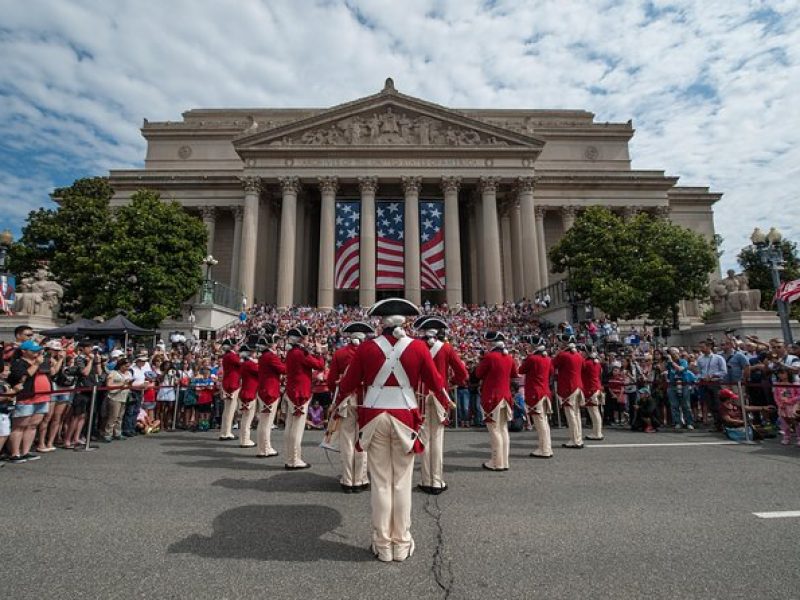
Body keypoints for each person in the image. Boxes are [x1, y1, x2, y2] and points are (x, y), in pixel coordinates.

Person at [337, 297, 449, 563]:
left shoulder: (366, 348)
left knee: (381, 483)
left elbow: (348, 383)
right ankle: (402, 541)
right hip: (405, 418)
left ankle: (382, 543)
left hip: (374, 417)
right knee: (401, 483)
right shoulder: (419, 347)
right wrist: (444, 402)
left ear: (381, 322)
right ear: (404, 322)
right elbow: (435, 382)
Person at [414, 316, 465, 495]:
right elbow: (462, 373)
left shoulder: (415, 347)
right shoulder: (447, 348)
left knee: (424, 439)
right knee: (437, 439)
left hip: (420, 397)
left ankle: (426, 480)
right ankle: (437, 480)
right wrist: (450, 383)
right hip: (440, 397)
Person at [327, 321, 373, 493]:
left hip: (346, 400)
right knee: (362, 440)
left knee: (346, 441)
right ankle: (360, 478)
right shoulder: (370, 353)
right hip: (365, 399)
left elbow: (331, 381)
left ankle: (348, 480)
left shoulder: (339, 353)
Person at [284, 325, 325, 469]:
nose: (309, 341)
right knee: (297, 428)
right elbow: (320, 365)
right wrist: (319, 352)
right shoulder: (300, 353)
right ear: (301, 339)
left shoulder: (292, 352)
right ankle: (294, 459)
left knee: (290, 427)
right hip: (300, 393)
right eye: (306, 338)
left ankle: (291, 457)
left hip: (292, 391)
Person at [475, 331, 518, 470]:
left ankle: (496, 462)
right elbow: (514, 374)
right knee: (503, 429)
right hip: (506, 396)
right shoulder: (509, 357)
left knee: (494, 430)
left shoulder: (489, 357)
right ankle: (504, 461)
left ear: (491, 343)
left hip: (492, 396)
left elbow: (478, 374)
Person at [6, 340, 50, 463]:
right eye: (33, 350)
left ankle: (25, 451)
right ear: (24, 351)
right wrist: (36, 364)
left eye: (38, 350)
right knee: (19, 426)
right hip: (25, 397)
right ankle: (15, 453)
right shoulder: (18, 363)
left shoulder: (40, 361)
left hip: (41, 397)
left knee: (33, 425)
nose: (37, 352)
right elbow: (21, 377)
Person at [518, 337, 553, 458]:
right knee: (544, 421)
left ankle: (544, 449)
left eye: (530, 345)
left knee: (539, 422)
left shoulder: (532, 358)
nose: (528, 347)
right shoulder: (547, 358)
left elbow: (521, 370)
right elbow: (552, 372)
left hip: (535, 392)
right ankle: (546, 447)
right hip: (545, 391)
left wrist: (526, 357)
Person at [255, 330, 285, 458]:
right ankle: (265, 448)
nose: (276, 345)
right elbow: (284, 369)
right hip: (270, 390)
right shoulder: (271, 357)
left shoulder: (263, 356)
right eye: (274, 343)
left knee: (264, 422)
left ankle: (262, 447)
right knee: (267, 423)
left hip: (264, 389)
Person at [553, 340, 585, 449]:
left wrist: (558, 353)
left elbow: (553, 364)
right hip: (578, 385)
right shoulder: (579, 355)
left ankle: (575, 440)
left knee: (571, 414)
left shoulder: (563, 355)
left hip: (568, 387)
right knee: (576, 414)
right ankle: (578, 438)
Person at [696, 340, 727, 432]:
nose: (701, 349)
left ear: (709, 347)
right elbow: (698, 371)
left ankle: (723, 424)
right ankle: (717, 424)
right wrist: (701, 377)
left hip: (715, 383)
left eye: (703, 347)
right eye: (700, 347)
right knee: (710, 405)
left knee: (718, 404)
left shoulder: (718, 358)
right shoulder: (700, 359)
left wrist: (713, 375)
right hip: (704, 383)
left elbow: (724, 371)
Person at [102, 358, 131, 442]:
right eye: (126, 366)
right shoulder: (113, 373)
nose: (127, 368)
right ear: (121, 365)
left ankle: (117, 433)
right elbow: (109, 385)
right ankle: (108, 434)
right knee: (113, 417)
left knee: (120, 417)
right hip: (114, 397)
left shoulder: (128, 373)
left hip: (124, 397)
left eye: (128, 366)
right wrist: (121, 384)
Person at [665, 347, 694, 430]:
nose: (672, 354)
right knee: (674, 405)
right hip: (672, 384)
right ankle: (677, 422)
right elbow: (663, 369)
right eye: (670, 353)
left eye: (674, 352)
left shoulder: (683, 361)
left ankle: (689, 422)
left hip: (684, 384)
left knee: (686, 404)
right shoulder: (669, 362)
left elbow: (680, 369)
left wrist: (671, 362)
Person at [237, 343, 259, 448]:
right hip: (249, 392)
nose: (254, 354)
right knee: (247, 419)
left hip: (246, 391)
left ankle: (244, 439)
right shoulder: (249, 364)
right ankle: (245, 439)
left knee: (245, 418)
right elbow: (260, 371)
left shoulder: (245, 364)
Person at [219, 339, 241, 441]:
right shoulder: (232, 356)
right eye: (237, 345)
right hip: (232, 384)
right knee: (230, 410)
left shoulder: (227, 356)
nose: (238, 347)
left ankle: (225, 431)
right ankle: (226, 432)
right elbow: (241, 363)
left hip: (228, 382)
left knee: (227, 409)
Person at [772, 367, 800, 446]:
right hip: (782, 407)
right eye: (779, 373)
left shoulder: (795, 384)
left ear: (788, 374)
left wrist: (790, 401)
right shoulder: (777, 385)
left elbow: (799, 395)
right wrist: (779, 404)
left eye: (783, 373)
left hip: (793, 406)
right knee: (784, 423)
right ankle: (786, 437)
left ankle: (799, 438)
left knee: (796, 422)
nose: (780, 375)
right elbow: (775, 396)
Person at [581, 347, 605, 441]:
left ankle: (597, 432)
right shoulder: (597, 362)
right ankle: (597, 431)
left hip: (590, 389)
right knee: (595, 412)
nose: (581, 353)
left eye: (583, 351)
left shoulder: (586, 363)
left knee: (594, 412)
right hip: (596, 387)